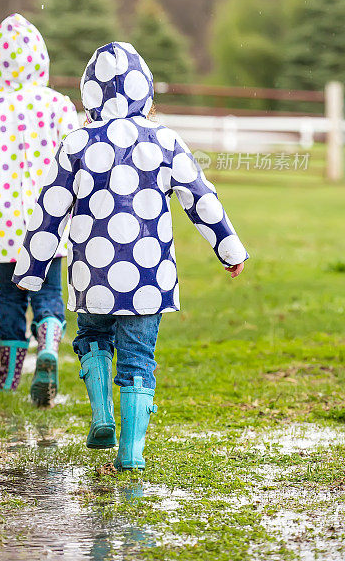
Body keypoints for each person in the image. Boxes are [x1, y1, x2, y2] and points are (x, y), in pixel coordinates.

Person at [13, 41, 248, 467]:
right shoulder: (165, 141)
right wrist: (229, 248)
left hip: (93, 276)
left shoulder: (76, 143)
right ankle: (132, 450)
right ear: (147, 93)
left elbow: (49, 210)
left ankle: (102, 416)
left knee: (93, 339)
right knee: (139, 358)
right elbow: (200, 198)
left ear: (89, 93)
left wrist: (31, 269)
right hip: (147, 279)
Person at [0, 14, 78, 405]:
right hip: (47, 223)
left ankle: (8, 377)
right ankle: (50, 344)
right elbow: (75, 162)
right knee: (48, 290)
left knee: (9, 296)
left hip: (1, 224)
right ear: (41, 59)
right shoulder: (58, 106)